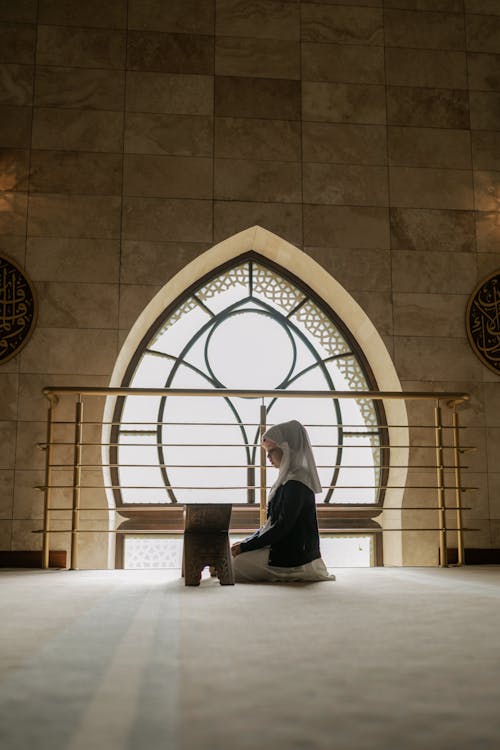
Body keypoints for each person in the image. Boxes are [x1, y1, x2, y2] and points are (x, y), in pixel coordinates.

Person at [231, 420, 335, 583]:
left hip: (294, 559)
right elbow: (271, 524)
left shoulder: (298, 483)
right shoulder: (287, 481)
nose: (268, 457)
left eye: (271, 451)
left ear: (288, 448)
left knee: (233, 564)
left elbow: (282, 527)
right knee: (231, 557)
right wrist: (246, 542)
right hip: (281, 550)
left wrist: (245, 547)